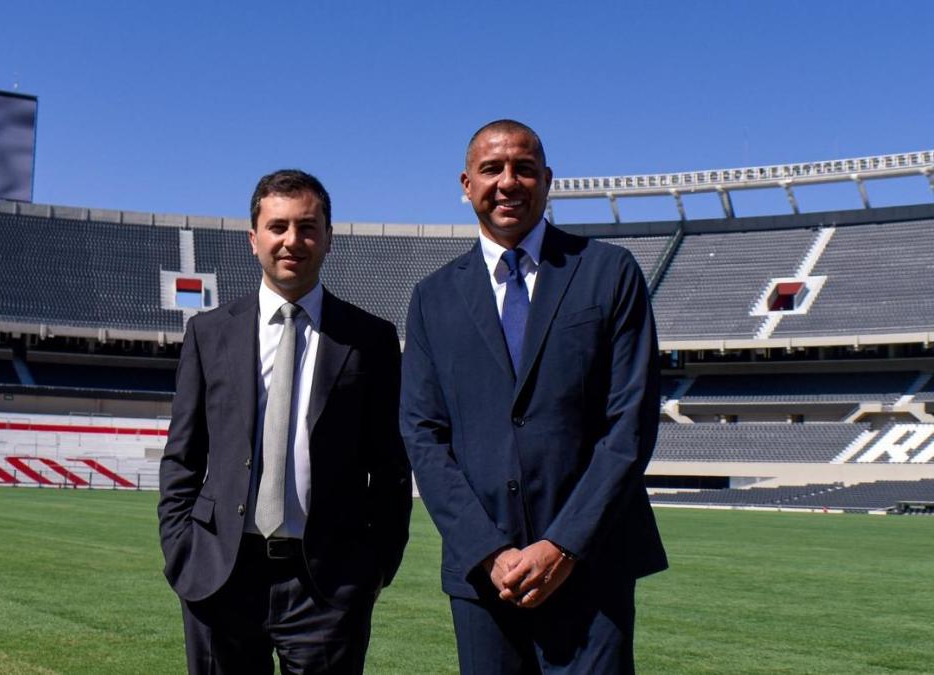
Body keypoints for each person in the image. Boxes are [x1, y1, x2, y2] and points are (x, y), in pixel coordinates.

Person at [400, 120, 667, 673]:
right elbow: (423, 436)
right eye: (491, 169)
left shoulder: (609, 273)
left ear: (547, 180)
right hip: (484, 579)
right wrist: (487, 550)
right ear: (466, 184)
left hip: (593, 567)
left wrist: (563, 545)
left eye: (524, 168)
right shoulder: (432, 299)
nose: (508, 182)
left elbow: (630, 426)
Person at [158, 169, 412, 674]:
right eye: (278, 227)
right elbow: (182, 455)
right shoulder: (208, 333)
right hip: (220, 573)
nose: (292, 240)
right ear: (254, 239)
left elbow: (390, 467)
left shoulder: (370, 339)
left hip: (328, 582)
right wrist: (182, 549)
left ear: (328, 238)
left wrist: (375, 568)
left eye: (307, 226)